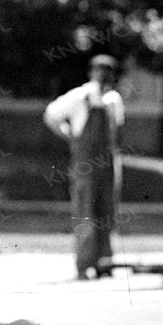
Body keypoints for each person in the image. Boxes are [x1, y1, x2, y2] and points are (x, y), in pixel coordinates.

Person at [44, 53, 126, 280]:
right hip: (85, 166)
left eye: (108, 72)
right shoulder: (80, 96)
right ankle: (84, 263)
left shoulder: (114, 100)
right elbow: (51, 115)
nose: (104, 77)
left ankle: (105, 262)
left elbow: (117, 134)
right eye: (100, 71)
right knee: (85, 213)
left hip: (108, 166)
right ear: (92, 72)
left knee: (107, 213)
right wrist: (69, 135)